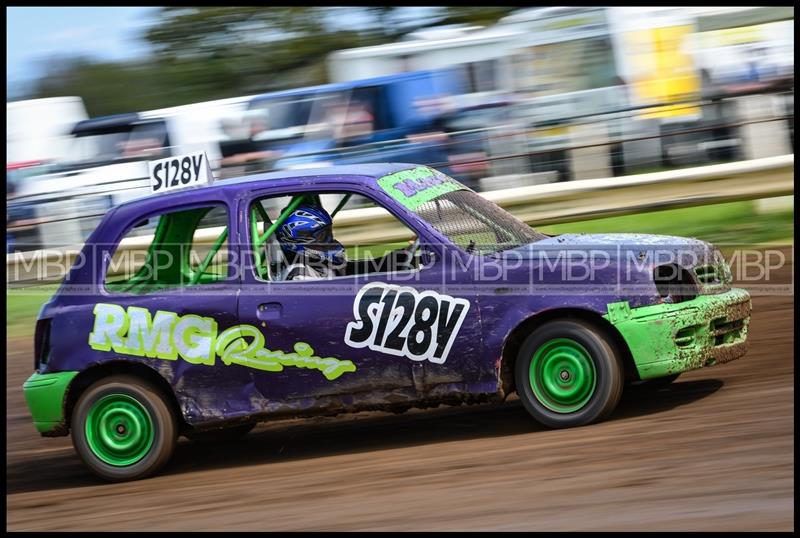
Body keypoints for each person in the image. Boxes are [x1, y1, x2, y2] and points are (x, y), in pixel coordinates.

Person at [275, 203, 346, 280]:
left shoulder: (317, 266)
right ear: (299, 241)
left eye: (329, 233)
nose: (329, 241)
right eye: (322, 237)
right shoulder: (300, 276)